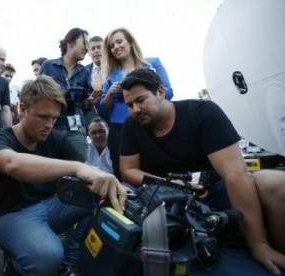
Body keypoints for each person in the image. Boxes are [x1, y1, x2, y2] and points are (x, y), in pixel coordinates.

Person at [119, 68, 285, 275]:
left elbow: (235, 174)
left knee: (277, 184)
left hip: (216, 189)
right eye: (129, 105)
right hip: (168, 201)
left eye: (141, 100)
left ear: (160, 92)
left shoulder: (201, 112)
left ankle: (274, 251)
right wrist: (174, 186)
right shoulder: (131, 125)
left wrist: (259, 245)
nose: (135, 110)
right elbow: (128, 170)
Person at [0, 75, 127, 275]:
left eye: (54, 118)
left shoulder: (56, 138)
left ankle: (72, 259)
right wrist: (76, 168)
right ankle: (15, 264)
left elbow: (87, 171)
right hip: (9, 216)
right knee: (47, 257)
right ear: (22, 109)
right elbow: (12, 164)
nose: (50, 124)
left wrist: (109, 182)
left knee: (103, 193)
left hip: (52, 207)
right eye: (43, 117)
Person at [98, 27, 174, 180]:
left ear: (130, 42)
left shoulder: (152, 64)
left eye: (119, 42)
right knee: (123, 173)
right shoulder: (110, 74)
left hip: (151, 124)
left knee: (158, 170)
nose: (116, 47)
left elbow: (169, 92)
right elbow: (103, 109)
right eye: (111, 46)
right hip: (120, 129)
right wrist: (110, 94)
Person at [39, 28, 98, 160]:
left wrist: (89, 102)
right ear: (70, 43)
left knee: (79, 166)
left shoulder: (85, 72)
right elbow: (36, 94)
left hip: (75, 128)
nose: (87, 49)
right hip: (51, 126)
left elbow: (82, 104)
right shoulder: (49, 66)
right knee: (49, 168)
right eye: (85, 44)